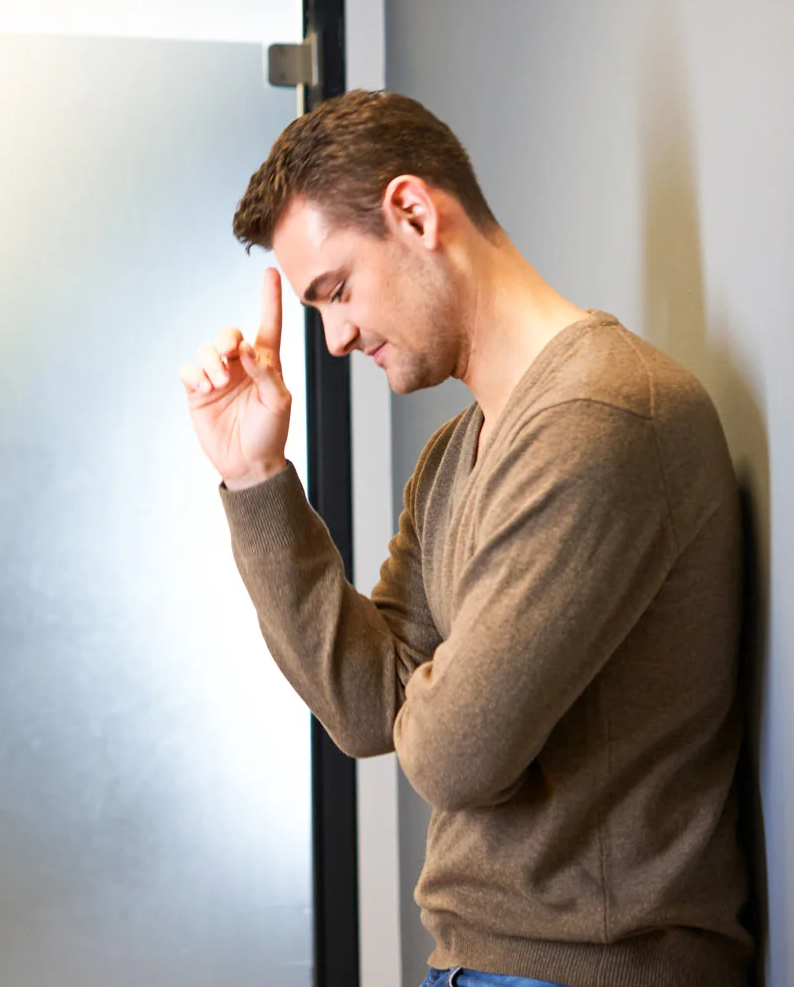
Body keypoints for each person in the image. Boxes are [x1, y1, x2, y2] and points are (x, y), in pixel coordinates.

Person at [179, 91, 752, 987]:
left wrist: (434, 695)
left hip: (590, 970)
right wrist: (257, 482)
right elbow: (370, 713)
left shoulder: (599, 416)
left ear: (413, 212)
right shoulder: (458, 454)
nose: (332, 339)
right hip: (483, 966)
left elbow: (455, 755)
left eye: (336, 292)